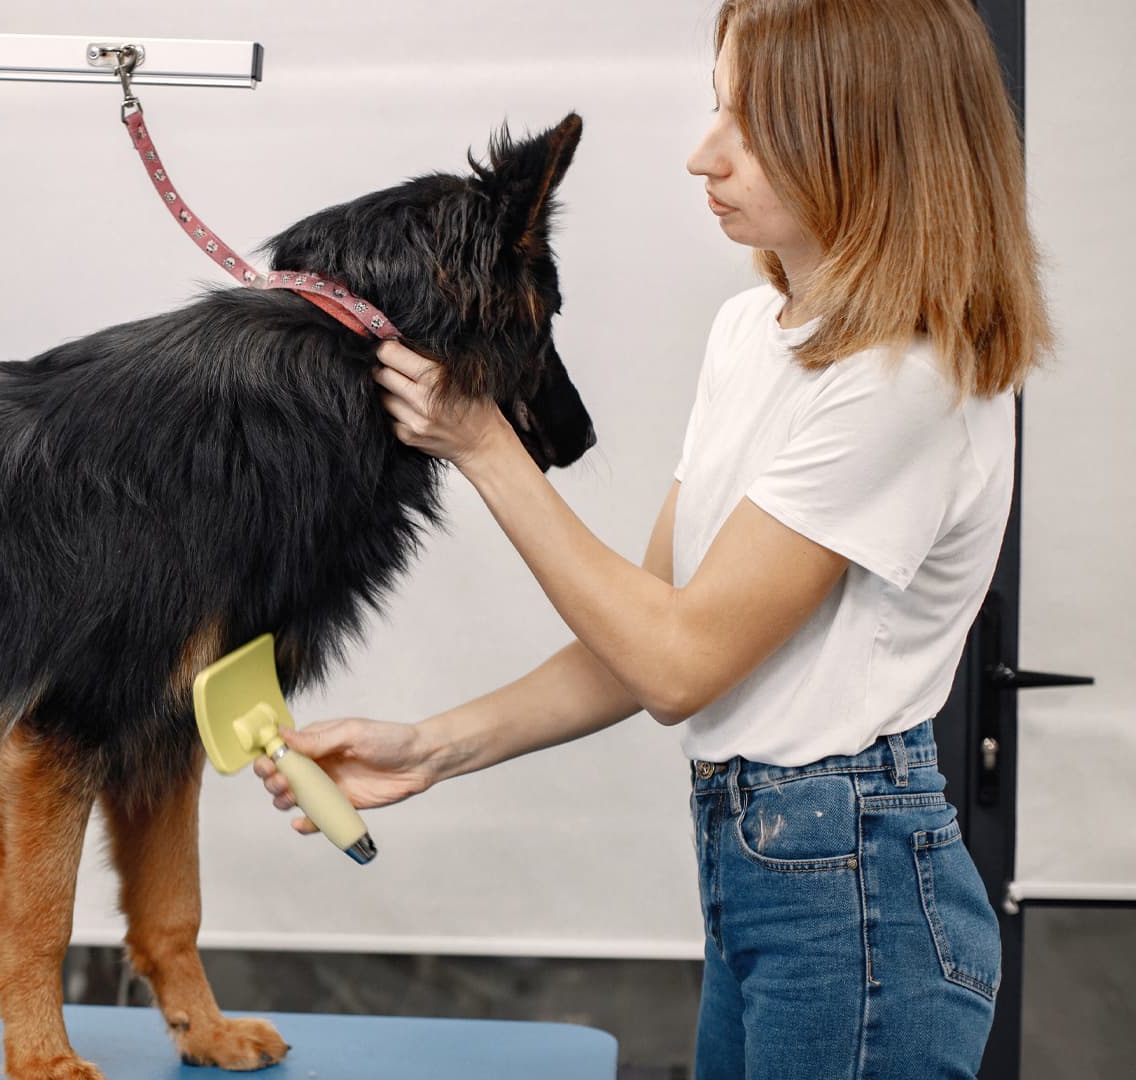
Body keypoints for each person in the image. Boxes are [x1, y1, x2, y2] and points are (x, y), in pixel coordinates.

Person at [255, 1, 1049, 1075]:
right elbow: (648, 630)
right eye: (716, 108)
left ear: (867, 138)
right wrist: (432, 747)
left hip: (857, 898)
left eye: (754, 127)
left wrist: (485, 444)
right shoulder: (752, 336)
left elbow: (679, 665)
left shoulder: (903, 381)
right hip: (762, 865)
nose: (701, 156)